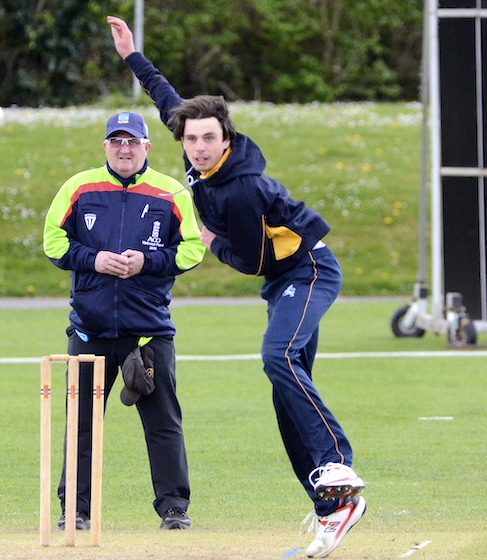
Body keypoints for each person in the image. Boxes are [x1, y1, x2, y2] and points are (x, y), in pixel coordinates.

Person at [108, 16, 366, 557]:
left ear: (226, 140)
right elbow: (167, 97)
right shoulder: (193, 145)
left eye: (208, 139)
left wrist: (208, 239)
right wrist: (133, 57)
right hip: (283, 283)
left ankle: (339, 468)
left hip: (308, 270)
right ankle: (332, 508)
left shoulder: (241, 189)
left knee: (279, 358)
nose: (198, 148)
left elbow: (252, 260)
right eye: (192, 139)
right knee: (285, 393)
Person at [43, 111, 205, 530]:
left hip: (147, 333)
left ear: (147, 147)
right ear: (106, 147)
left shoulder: (170, 193)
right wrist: (93, 258)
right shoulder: (79, 187)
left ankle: (174, 509)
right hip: (89, 331)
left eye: (132, 141)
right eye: (116, 141)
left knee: (163, 423)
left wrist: (147, 262)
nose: (124, 148)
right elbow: (53, 241)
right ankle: (75, 511)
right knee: (80, 426)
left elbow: (192, 249)